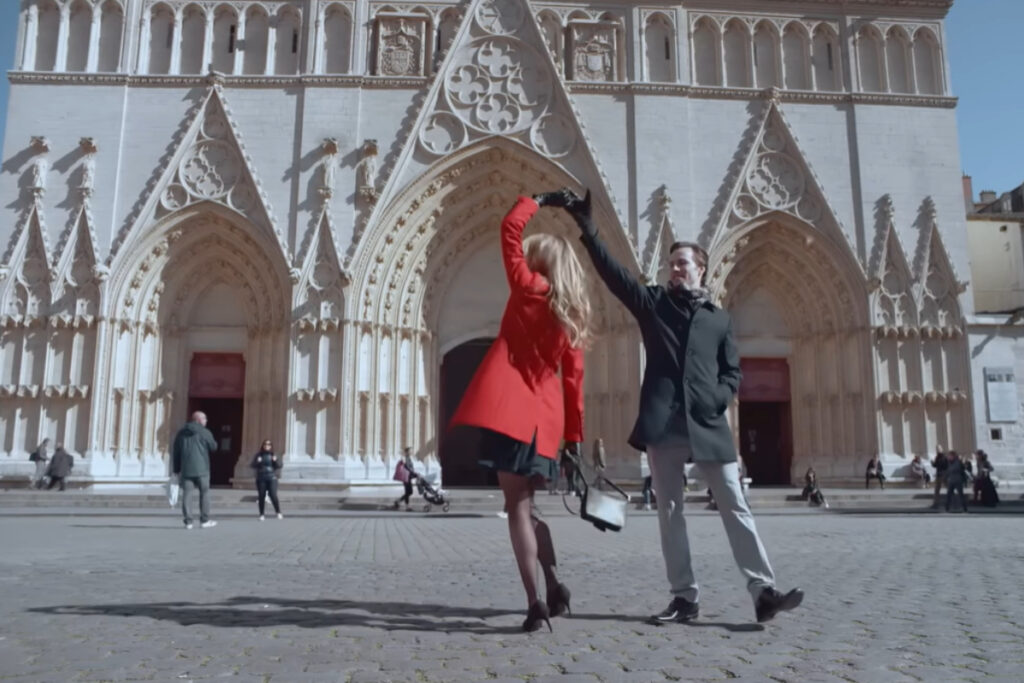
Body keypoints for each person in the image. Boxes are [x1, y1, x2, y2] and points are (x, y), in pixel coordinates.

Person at [563, 188, 802, 625]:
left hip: (708, 423)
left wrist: (716, 397)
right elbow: (615, 277)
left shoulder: (719, 318)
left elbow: (733, 372)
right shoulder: (654, 304)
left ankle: (763, 590)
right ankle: (684, 598)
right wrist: (589, 230)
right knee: (670, 511)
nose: (674, 269)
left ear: (701, 268)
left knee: (734, 502)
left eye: (682, 263)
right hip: (664, 423)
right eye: (671, 263)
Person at [450, 191, 590, 632]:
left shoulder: (527, 288)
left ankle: (534, 602)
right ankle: (553, 585)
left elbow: (509, 230)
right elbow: (574, 383)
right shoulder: (571, 316)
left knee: (516, 509)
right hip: (545, 426)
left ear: (539, 264)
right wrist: (574, 439)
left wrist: (535, 200)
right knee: (528, 509)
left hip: (510, 417)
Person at [172, 411, 218, 529]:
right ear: (198, 420)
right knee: (205, 493)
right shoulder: (204, 432)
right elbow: (213, 447)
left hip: (186, 470)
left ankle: (188, 522)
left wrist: (176, 469)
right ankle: (204, 520)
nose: (206, 421)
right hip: (202, 469)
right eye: (205, 419)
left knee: (187, 495)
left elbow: (176, 452)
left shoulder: (181, 433)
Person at [250, 439, 283, 520]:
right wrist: (257, 462)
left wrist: (275, 461)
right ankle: (261, 514)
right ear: (263, 446)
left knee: (273, 495)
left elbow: (279, 465)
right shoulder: (259, 455)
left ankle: (278, 512)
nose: (267, 446)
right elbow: (252, 465)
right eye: (265, 444)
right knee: (261, 496)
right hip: (261, 478)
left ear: (271, 446)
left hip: (272, 477)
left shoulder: (273, 454)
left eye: (268, 444)